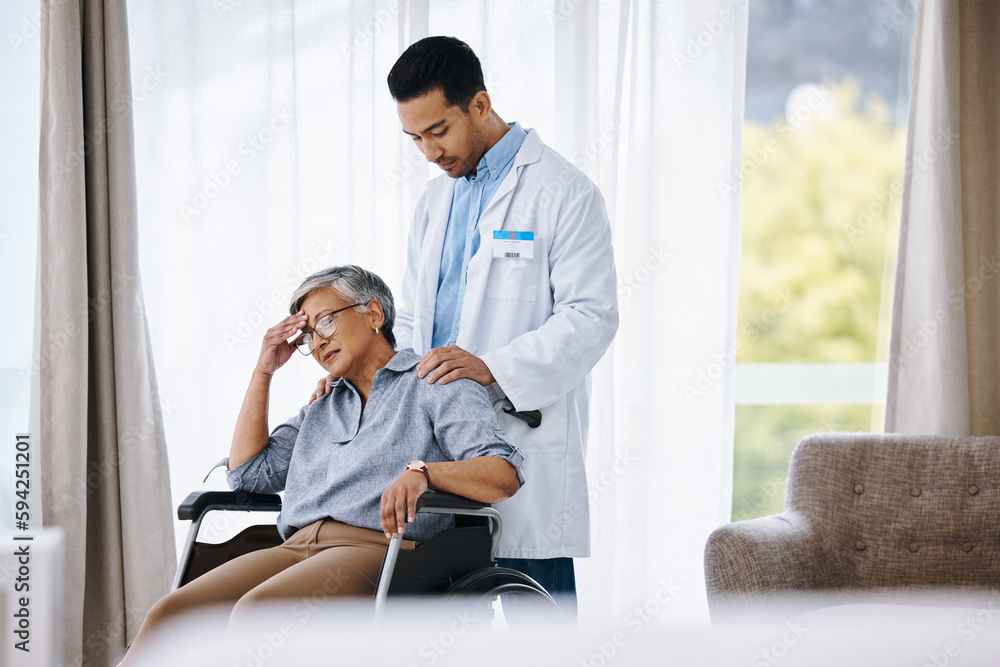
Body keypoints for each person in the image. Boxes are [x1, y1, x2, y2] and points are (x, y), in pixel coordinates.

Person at [313, 37, 618, 612]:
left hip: (520, 432)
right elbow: (409, 323)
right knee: (447, 630)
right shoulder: (434, 202)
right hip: (440, 449)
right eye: (415, 138)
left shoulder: (564, 194)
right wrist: (358, 379)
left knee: (541, 625)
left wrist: (493, 370)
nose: (430, 152)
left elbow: (591, 317)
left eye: (439, 131)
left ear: (480, 104)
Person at [120, 265, 524, 664]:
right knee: (172, 616)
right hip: (296, 546)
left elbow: (502, 475)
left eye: (327, 322)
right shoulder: (323, 405)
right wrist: (264, 370)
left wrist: (425, 473)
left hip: (382, 548)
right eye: (308, 336)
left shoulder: (433, 381)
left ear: (374, 315)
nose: (317, 342)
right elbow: (248, 474)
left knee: (257, 616)